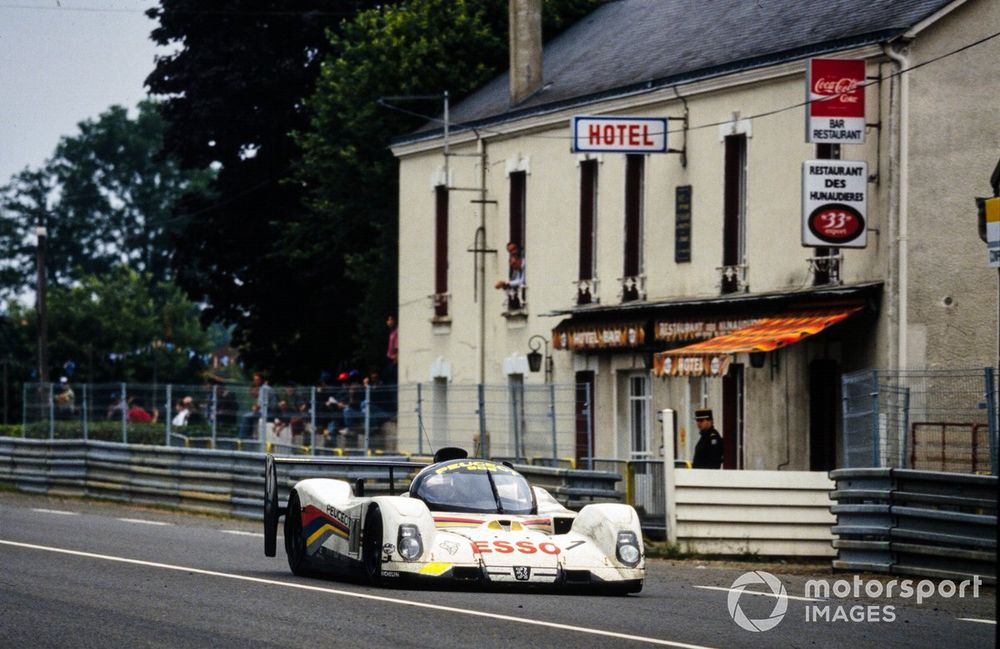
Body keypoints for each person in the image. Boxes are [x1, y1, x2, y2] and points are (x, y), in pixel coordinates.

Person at [494, 241, 525, 309]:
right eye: (510, 251)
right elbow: (514, 282)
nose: (513, 252)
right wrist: (505, 285)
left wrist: (506, 283)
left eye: (514, 249)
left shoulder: (525, 264)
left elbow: (521, 281)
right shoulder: (516, 270)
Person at [385, 315, 398, 384]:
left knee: (393, 381)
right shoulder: (391, 332)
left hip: (394, 360)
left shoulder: (397, 331)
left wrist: (395, 360)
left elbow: (397, 347)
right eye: (388, 320)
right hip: (389, 359)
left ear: (394, 321)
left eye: (390, 320)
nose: (388, 322)